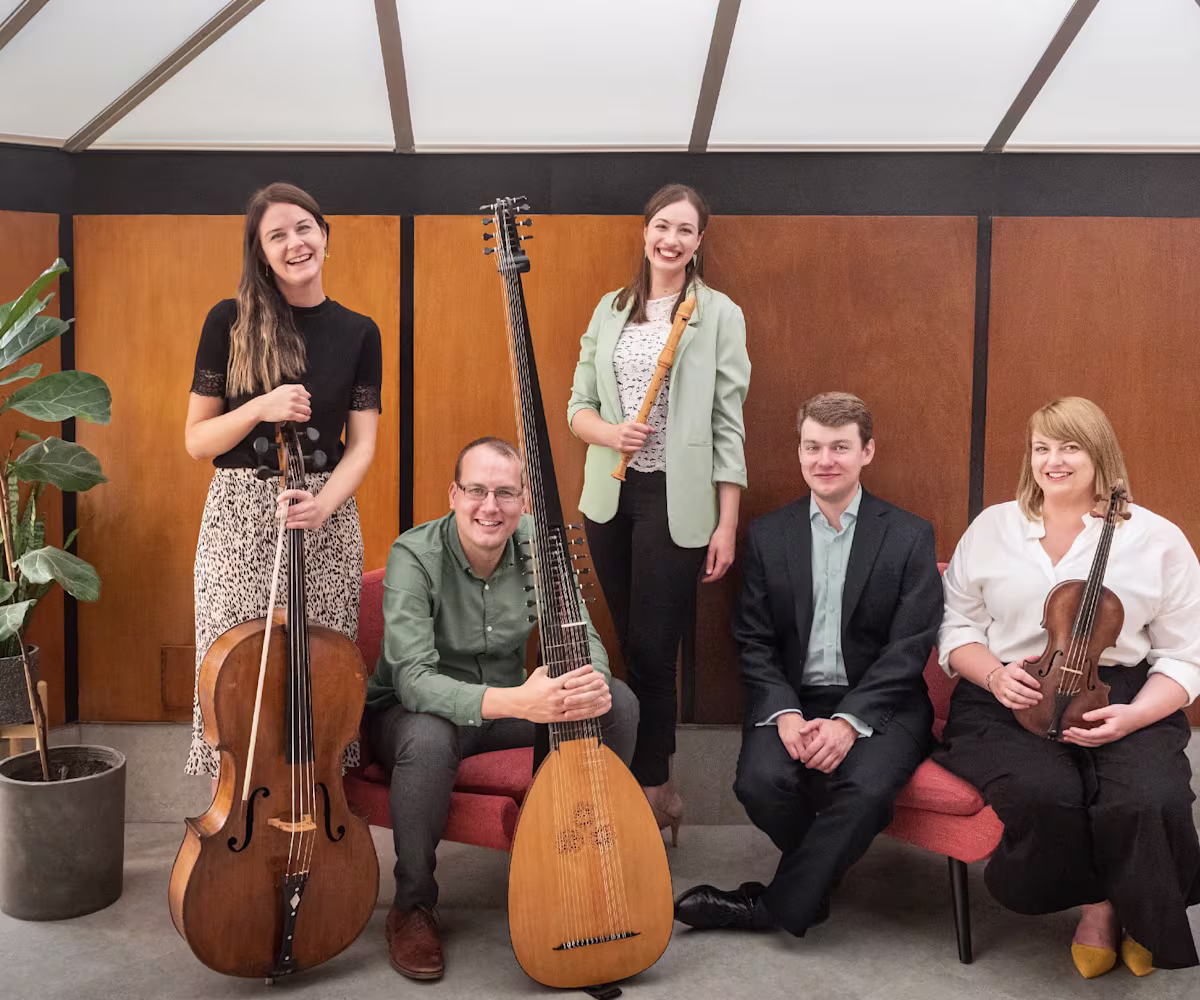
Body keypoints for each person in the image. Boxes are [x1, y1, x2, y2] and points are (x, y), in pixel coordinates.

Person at [935, 396, 1200, 977]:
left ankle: (1137, 911)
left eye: (1070, 446)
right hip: (1006, 692)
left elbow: (1185, 654)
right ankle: (1101, 906)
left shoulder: (1157, 538)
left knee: (1150, 796)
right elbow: (956, 627)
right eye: (1042, 448)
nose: (1054, 461)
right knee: (1044, 793)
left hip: (1120, 690)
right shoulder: (993, 527)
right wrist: (995, 674)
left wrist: (1134, 717)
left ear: (1099, 453)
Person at [365, 436, 639, 981]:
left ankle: (575, 861)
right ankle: (412, 905)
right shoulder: (414, 555)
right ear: (453, 494)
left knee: (620, 706)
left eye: (506, 494)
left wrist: (592, 684)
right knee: (428, 736)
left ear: (523, 503)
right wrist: (519, 700)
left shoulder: (540, 544)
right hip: (414, 715)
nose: (490, 507)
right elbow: (414, 681)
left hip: (511, 710)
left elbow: (581, 633)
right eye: (477, 491)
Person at [674, 392, 941, 936]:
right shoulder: (770, 535)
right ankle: (815, 878)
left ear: (867, 452)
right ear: (799, 451)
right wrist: (784, 713)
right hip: (793, 698)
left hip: (882, 703)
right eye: (813, 446)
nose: (825, 460)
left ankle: (776, 906)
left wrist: (849, 722)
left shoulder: (909, 534)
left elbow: (910, 647)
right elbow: (753, 639)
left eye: (840, 447)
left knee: (864, 790)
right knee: (758, 782)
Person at [567, 182, 751, 840]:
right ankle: (659, 787)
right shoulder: (611, 309)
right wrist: (609, 433)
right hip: (610, 496)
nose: (671, 240)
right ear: (644, 232)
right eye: (661, 227)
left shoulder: (719, 314)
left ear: (700, 242)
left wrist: (727, 521)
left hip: (681, 499)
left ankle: (650, 791)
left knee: (652, 651)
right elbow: (577, 407)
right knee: (625, 648)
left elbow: (729, 425)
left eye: (685, 231)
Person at [183, 181, 381, 778]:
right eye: (277, 236)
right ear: (261, 252)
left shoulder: (359, 331)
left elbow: (363, 444)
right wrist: (259, 407)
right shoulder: (229, 321)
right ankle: (234, 818)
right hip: (240, 518)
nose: (295, 243)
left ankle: (317, 824)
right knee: (236, 678)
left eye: (304, 228)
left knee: (319, 680)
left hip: (325, 516)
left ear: (325, 235)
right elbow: (197, 440)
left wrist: (323, 507)